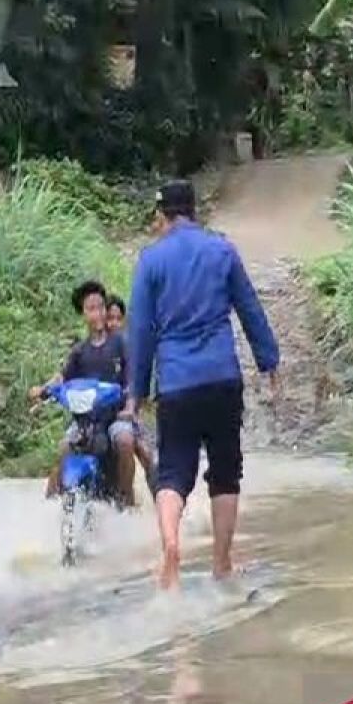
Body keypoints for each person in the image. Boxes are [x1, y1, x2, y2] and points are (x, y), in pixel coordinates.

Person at [123, 179, 280, 591]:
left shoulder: (151, 261)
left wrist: (135, 391)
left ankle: (171, 546)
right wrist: (269, 360)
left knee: (173, 471)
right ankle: (222, 564)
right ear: (194, 211)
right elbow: (249, 307)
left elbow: (140, 331)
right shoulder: (222, 250)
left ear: (162, 215)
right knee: (226, 471)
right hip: (222, 377)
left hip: (176, 382)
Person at [29, 280, 138, 507]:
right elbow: (62, 377)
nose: (97, 313)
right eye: (91, 309)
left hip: (116, 417)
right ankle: (48, 505)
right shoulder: (79, 351)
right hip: (86, 419)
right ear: (83, 314)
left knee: (126, 441)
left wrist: (129, 408)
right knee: (64, 448)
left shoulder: (120, 343)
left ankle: (126, 500)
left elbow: (133, 379)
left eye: (101, 307)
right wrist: (43, 389)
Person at [104, 294, 158, 495]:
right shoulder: (90, 346)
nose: (114, 324)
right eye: (110, 318)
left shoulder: (129, 349)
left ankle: (158, 500)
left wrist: (131, 408)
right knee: (65, 449)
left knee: (143, 451)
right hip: (94, 415)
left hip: (124, 414)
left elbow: (137, 383)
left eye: (118, 319)